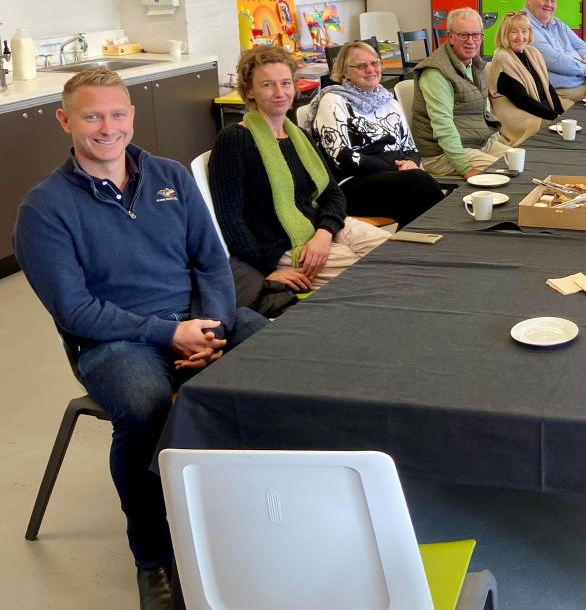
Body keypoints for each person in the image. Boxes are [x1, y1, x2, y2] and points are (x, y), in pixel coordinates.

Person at [14, 68, 269, 610]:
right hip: (111, 342)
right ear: (65, 121)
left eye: (118, 113)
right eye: (92, 116)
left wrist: (215, 325)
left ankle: (256, 514)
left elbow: (212, 263)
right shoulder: (44, 209)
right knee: (144, 404)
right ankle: (152, 558)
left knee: (276, 361)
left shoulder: (169, 175)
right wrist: (167, 333)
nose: (108, 127)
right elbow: (76, 310)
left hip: (195, 321)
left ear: (132, 116)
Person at [210, 46, 389, 292]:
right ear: (249, 91)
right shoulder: (234, 139)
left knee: (401, 256)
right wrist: (267, 273)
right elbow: (230, 219)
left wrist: (324, 233)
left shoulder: (299, 136)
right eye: (267, 85)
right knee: (378, 277)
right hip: (285, 248)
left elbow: (333, 194)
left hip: (324, 231)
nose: (280, 92)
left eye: (285, 83)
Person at [304, 40, 445, 227]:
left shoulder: (388, 100)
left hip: (393, 179)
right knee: (419, 184)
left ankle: (416, 248)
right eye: (362, 66)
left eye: (374, 63)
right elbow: (344, 159)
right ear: (345, 72)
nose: (370, 69)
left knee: (416, 196)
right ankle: (434, 244)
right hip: (349, 185)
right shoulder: (333, 101)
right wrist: (396, 165)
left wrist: (411, 162)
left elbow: (410, 147)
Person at [411, 8, 510, 178]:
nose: (471, 41)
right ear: (450, 37)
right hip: (443, 154)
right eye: (463, 35)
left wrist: (493, 140)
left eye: (476, 35)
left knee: (527, 163)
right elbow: (443, 125)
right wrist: (465, 168)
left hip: (476, 142)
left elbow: (483, 111)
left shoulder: (474, 64)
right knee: (507, 174)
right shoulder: (436, 72)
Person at [486, 10, 566, 145]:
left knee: (568, 122)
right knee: (555, 133)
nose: (520, 37)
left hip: (537, 106)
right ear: (505, 34)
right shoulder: (503, 57)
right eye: (514, 32)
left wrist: (561, 115)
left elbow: (548, 87)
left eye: (524, 31)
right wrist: (553, 117)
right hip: (515, 114)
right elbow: (521, 99)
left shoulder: (532, 52)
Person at [524, 0, 586, 107]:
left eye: (553, 1)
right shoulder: (524, 26)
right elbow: (555, 60)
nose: (549, 5)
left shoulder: (556, 23)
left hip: (583, 88)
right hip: (559, 95)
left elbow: (581, 45)